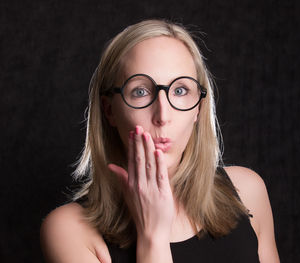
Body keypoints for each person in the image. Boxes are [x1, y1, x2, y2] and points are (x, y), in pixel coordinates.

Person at [40, 19, 280, 263]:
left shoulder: (247, 191)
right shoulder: (68, 231)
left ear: (198, 107)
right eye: (141, 91)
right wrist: (153, 236)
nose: (163, 116)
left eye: (180, 90)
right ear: (109, 110)